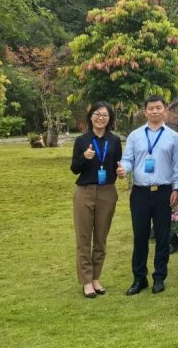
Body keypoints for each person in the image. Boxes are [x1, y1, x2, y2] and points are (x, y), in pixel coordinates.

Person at [117, 96, 178, 295]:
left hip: (164, 192)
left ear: (165, 111)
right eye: (151, 108)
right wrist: (124, 169)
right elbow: (128, 159)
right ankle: (139, 278)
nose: (154, 111)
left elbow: (177, 165)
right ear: (145, 111)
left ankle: (159, 277)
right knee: (140, 236)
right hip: (140, 193)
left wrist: (176, 189)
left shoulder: (173, 136)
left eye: (158, 108)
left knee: (162, 237)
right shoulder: (135, 136)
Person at [70, 101, 123, 298]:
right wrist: (85, 157)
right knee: (84, 238)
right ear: (91, 117)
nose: (101, 118)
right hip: (85, 191)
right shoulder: (82, 140)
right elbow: (75, 168)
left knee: (101, 238)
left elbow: (117, 165)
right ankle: (86, 281)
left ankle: (96, 278)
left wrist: (120, 171)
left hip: (107, 192)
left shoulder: (114, 140)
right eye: (97, 114)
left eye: (105, 115)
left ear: (110, 119)